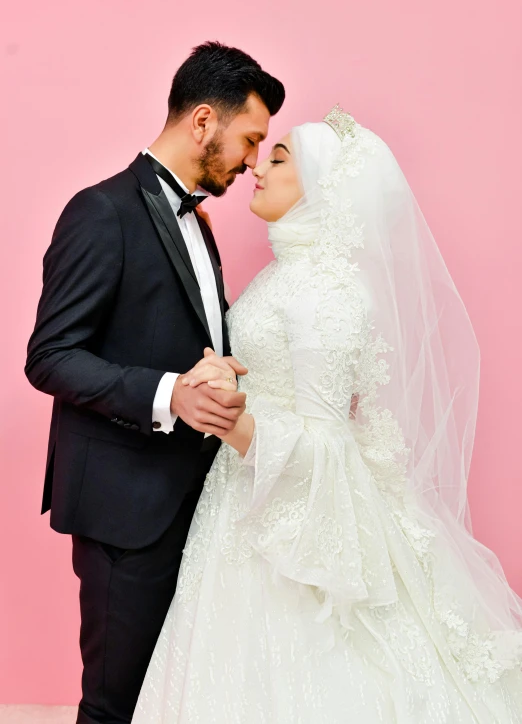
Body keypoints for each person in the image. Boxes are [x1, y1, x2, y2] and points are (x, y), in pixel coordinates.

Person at [132, 106, 522, 723]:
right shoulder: (290, 275)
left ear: (325, 190)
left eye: (279, 158)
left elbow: (327, 444)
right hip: (247, 498)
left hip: (294, 519)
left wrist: (229, 419)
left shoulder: (328, 293)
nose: (258, 168)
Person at [24, 41, 285, 724]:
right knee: (115, 703)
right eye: (250, 138)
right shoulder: (100, 212)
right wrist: (171, 393)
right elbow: (50, 354)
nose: (253, 160)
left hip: (196, 505)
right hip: (125, 510)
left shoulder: (198, 220)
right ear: (204, 121)